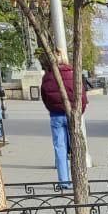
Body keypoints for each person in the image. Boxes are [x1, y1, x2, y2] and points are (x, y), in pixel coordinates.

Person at [40, 57, 88, 191]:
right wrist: (79, 112)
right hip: (72, 115)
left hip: (56, 115)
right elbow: (82, 96)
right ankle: (79, 179)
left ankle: (64, 181)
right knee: (76, 147)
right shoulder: (73, 74)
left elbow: (44, 97)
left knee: (59, 149)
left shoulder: (48, 77)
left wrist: (52, 109)